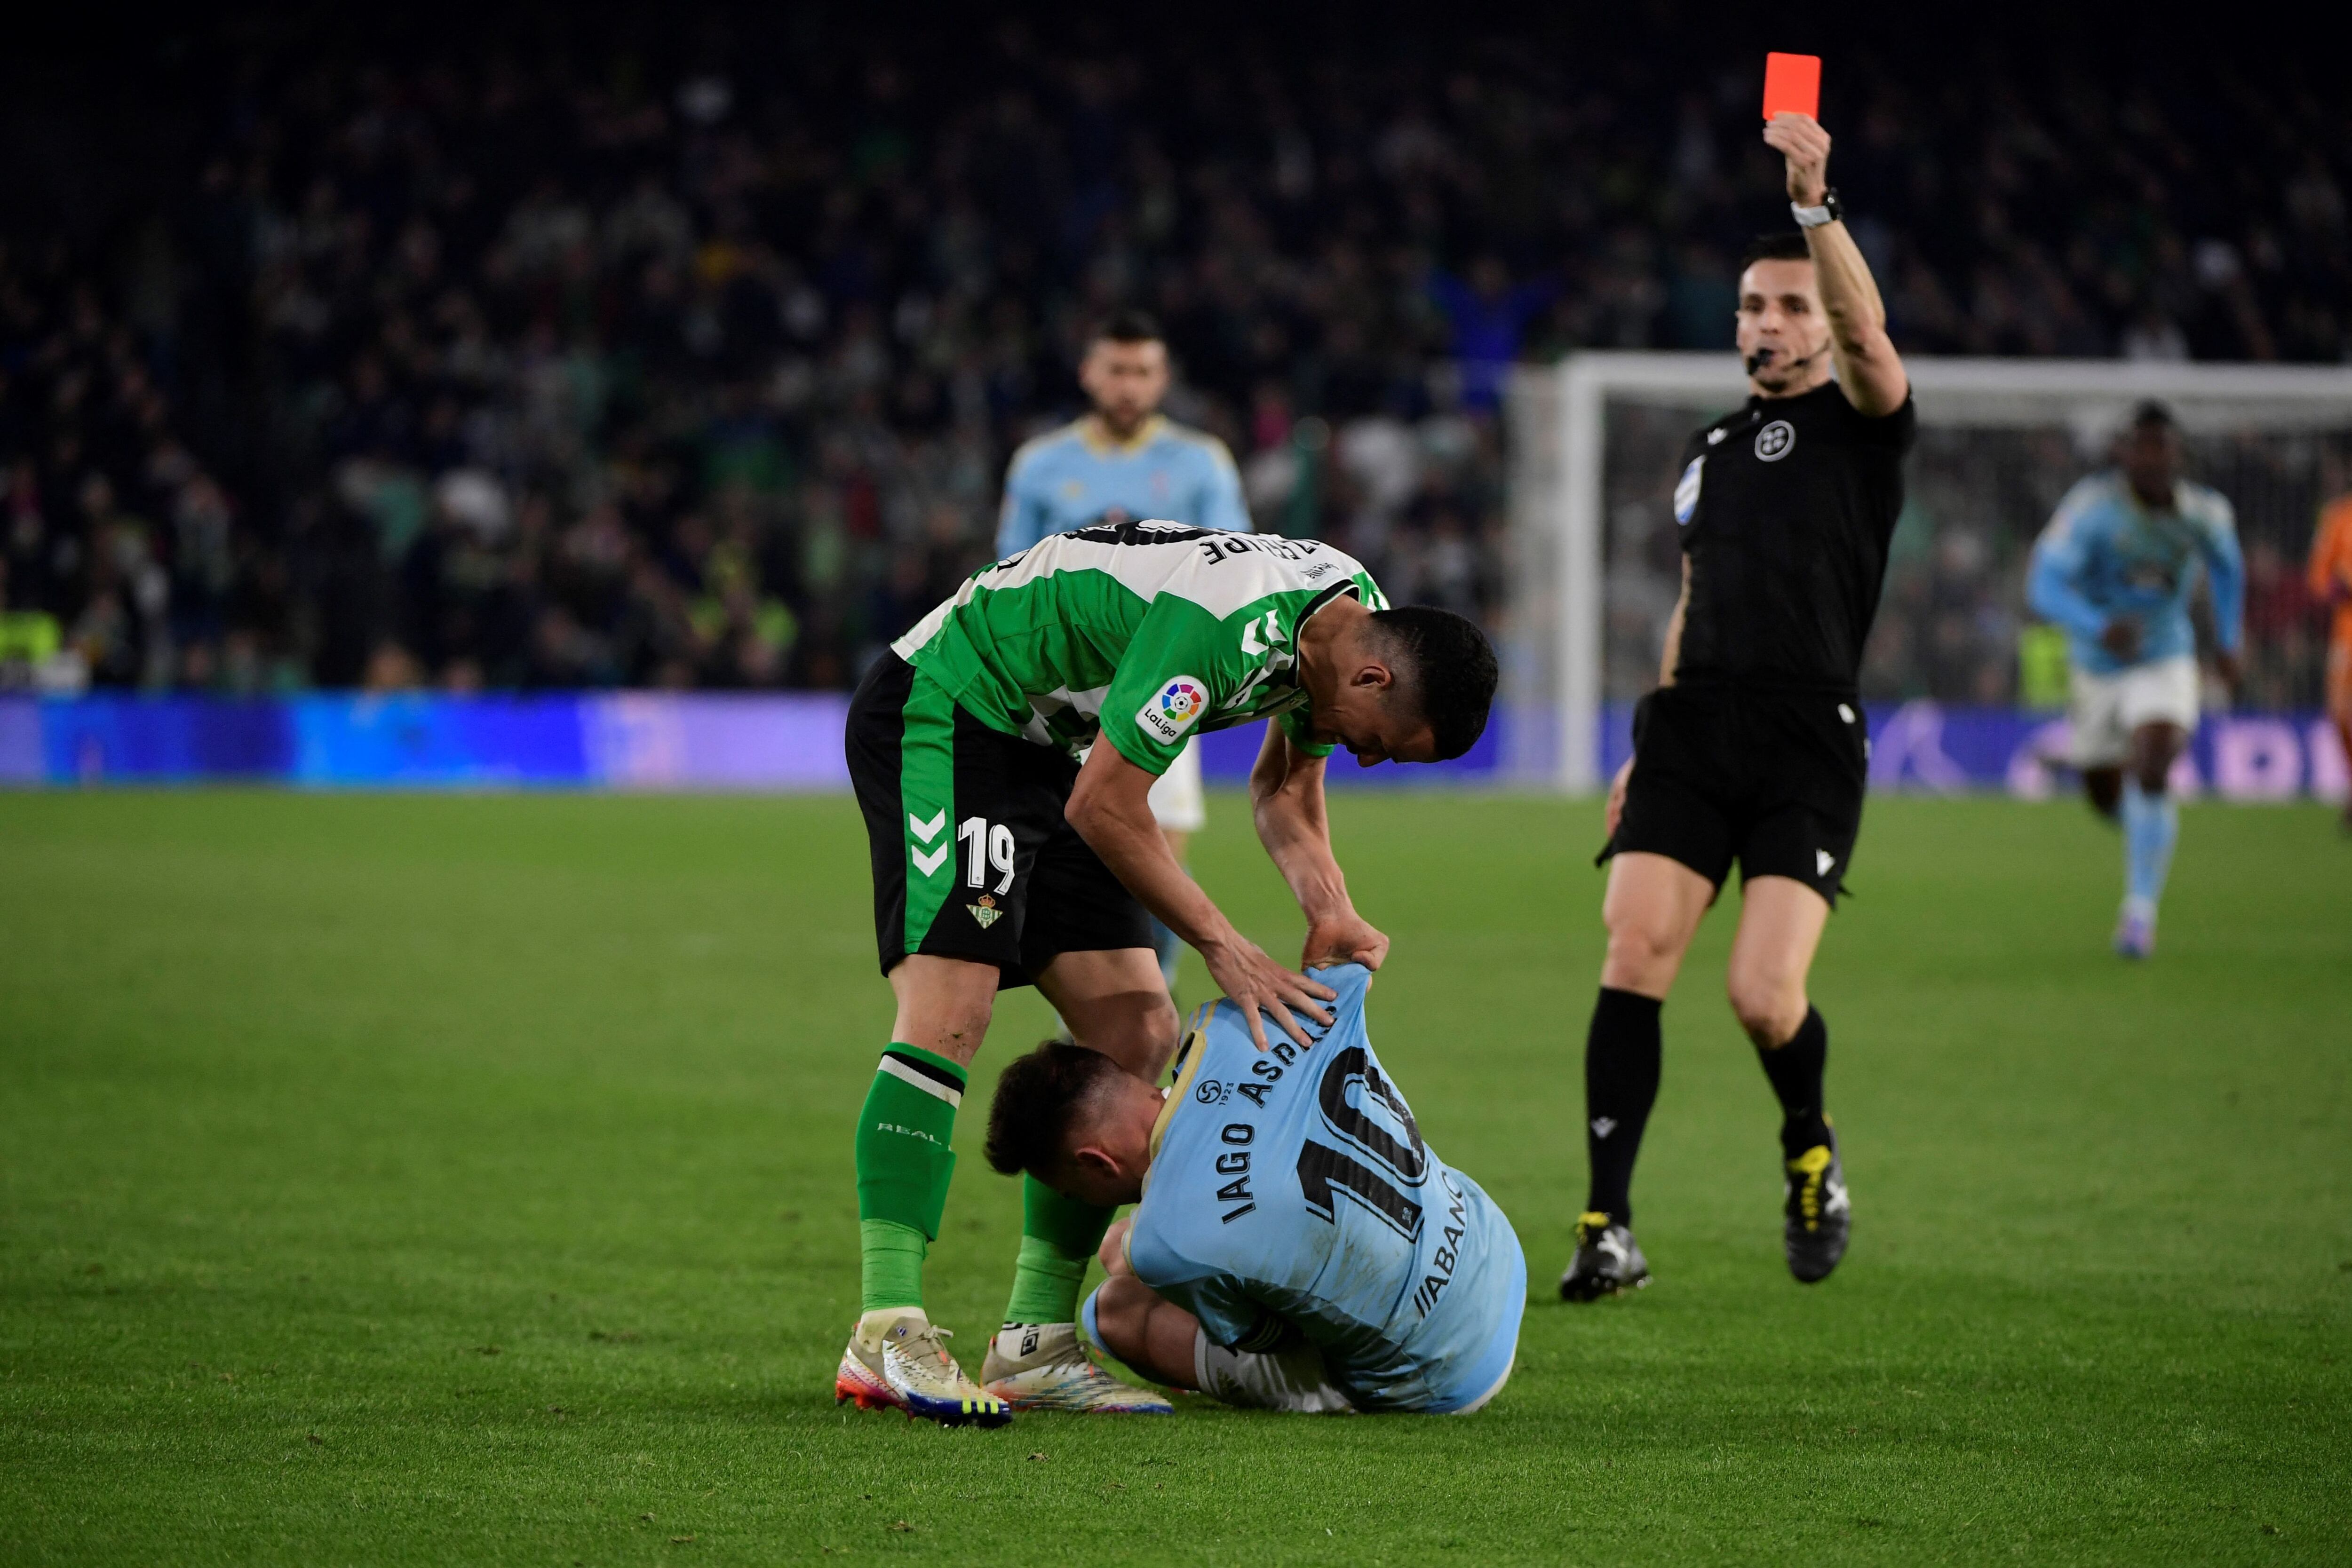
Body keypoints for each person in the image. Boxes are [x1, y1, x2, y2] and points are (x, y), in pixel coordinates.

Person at [835, 519, 1498, 1425]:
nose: (1367, 757)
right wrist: (1227, 943)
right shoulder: (1223, 630)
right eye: (1381, 741)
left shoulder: (1350, 617)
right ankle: (888, 1327)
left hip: (1054, 750)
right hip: (956, 705)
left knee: (1136, 1030)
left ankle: (1032, 1340)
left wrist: (1329, 904)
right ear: (1374, 676)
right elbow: (1106, 803)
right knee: (952, 1006)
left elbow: (1286, 789)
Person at [1568, 110, 1914, 1302]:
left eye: (1790, 307)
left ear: (1821, 320)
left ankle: (1809, 1149)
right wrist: (1644, 739)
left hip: (1805, 736)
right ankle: (1605, 1225)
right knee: (1631, 956)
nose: (1768, 323)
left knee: (1762, 996)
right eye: (1752, 307)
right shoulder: (1710, 448)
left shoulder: (1866, 428)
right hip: (1691, 729)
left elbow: (1871, 333)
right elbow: (1690, 596)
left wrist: (1816, 205)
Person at [984, 963, 1524, 1415]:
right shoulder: (1227, 1021)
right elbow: (1354, 963)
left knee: (1116, 1309)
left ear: (1094, 1162)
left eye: (1072, 1192)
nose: (1079, 1204)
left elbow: (1270, 1337)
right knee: (1136, 1250)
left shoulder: (1166, 1242)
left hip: (1446, 1372)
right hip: (1494, 1243)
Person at [997, 312, 1252, 993]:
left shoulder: (1200, 463)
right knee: (1070, 858)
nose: (1128, 385)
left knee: (1157, 862)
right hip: (1063, 689)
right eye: (1116, 369)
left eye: (1142, 371)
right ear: (1089, 373)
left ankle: (1147, 1004)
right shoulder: (1042, 464)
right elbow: (1009, 572)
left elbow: (1235, 565)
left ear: (1162, 378)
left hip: (1165, 681)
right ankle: (1088, 1016)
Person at [2028, 404, 2244, 954]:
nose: (2149, 458)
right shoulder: (2091, 511)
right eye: (2140, 446)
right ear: (2122, 452)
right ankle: (2151, 831)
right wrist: (2095, 625)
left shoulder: (2203, 513)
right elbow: (2042, 585)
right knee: (2104, 793)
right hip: (2097, 667)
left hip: (2164, 656)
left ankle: (2138, 914)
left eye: (2160, 447)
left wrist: (2228, 637)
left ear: (2177, 455)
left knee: (2151, 764)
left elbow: (2226, 565)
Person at [2308, 476, 2352, 832]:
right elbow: (2318, 578)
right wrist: (2340, 588)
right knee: (2340, 712)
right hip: (2347, 634)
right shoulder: (2338, 517)